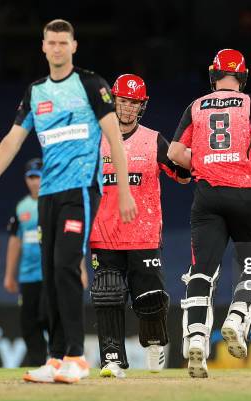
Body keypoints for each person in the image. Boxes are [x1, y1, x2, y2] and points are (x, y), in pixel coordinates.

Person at [0, 19, 137, 384]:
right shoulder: (36, 92)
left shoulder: (92, 85)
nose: (57, 48)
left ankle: (77, 356)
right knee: (50, 275)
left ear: (74, 46)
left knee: (64, 267)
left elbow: (114, 140)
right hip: (47, 196)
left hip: (79, 193)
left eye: (64, 42)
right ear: (42, 47)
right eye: (52, 43)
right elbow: (12, 141)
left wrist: (122, 190)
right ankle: (56, 359)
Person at [168, 49, 251, 377]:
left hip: (207, 198)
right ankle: (236, 318)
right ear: (243, 76)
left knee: (201, 273)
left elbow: (174, 152)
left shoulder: (195, 106)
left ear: (214, 74)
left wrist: (206, 160)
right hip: (245, 196)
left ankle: (195, 338)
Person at [89, 74, 191, 378]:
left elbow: (182, 176)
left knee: (151, 299)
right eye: (123, 101)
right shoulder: (95, 140)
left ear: (142, 106)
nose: (128, 108)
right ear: (113, 101)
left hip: (144, 235)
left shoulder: (153, 139)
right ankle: (112, 359)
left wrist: (191, 153)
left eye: (134, 103)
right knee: (107, 295)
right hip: (103, 235)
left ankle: (154, 345)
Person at [4, 158, 48, 367]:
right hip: (28, 275)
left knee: (51, 318)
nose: (34, 182)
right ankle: (37, 363)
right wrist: (9, 275)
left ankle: (60, 360)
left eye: (38, 177)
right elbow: (15, 241)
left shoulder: (54, 202)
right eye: (31, 178)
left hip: (51, 274)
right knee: (29, 322)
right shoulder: (21, 207)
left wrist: (79, 269)